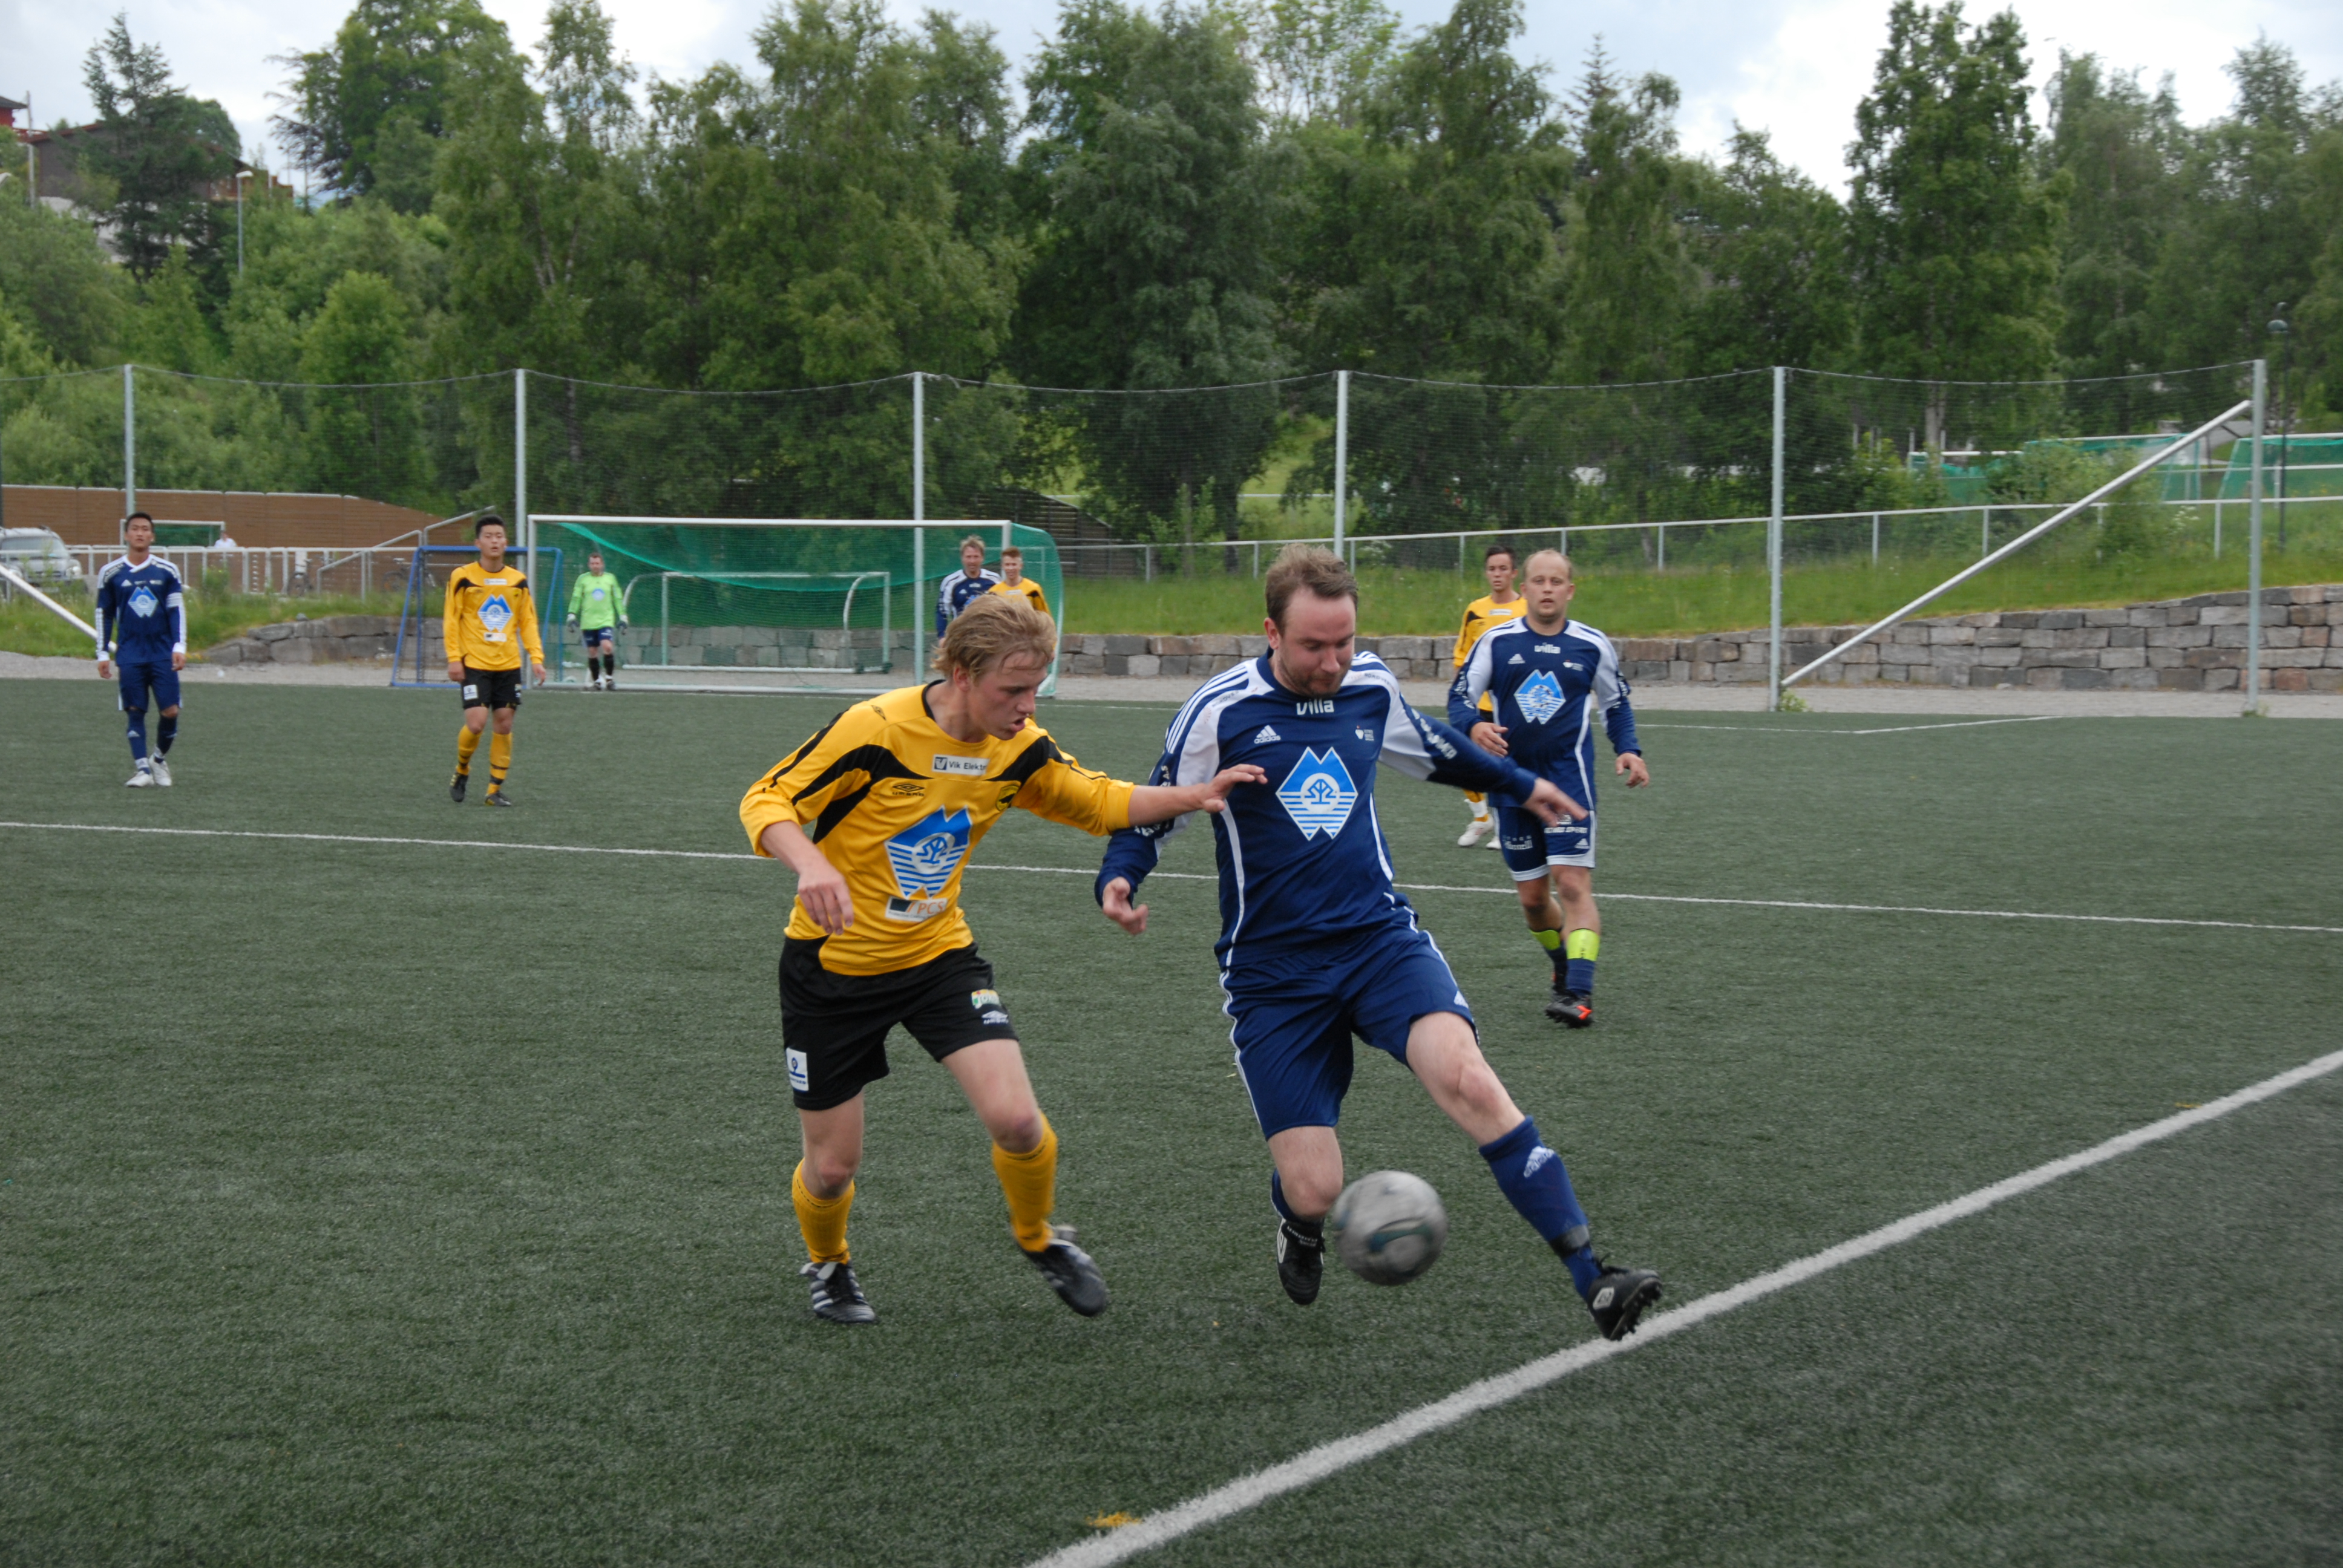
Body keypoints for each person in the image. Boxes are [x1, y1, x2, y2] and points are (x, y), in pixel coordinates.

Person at [1095, 546, 1662, 1341]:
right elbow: (1156, 804)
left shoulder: (1368, 686)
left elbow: (1434, 749)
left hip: (1378, 943)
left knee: (1470, 1080)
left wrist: (1522, 785)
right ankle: (1297, 1223)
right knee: (1315, 1188)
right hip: (1273, 974)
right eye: (1313, 647)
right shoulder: (1221, 711)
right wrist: (1120, 877)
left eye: (1345, 643)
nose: (1333, 663)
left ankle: (1593, 1277)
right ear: (1271, 633)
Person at [741, 594, 1263, 1326]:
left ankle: (1039, 1236)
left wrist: (1196, 794)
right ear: (960, 674)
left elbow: (1096, 801)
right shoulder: (876, 729)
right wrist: (810, 864)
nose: (1027, 706)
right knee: (831, 1168)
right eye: (1012, 689)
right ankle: (829, 1263)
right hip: (831, 971)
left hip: (938, 961)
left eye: (1035, 689)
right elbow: (766, 800)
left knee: (1018, 1121)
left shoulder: (1018, 748)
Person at [1449, 549, 1647, 1028]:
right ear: (1526, 588)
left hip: (1569, 783)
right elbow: (1459, 697)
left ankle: (1579, 992)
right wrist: (1474, 726)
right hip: (1512, 783)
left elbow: (1616, 704)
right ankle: (1563, 963)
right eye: (1539, 581)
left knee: (1572, 882)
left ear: (1569, 590)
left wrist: (1629, 749)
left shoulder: (1591, 645)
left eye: (1557, 581)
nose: (1547, 589)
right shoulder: (1497, 642)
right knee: (1534, 902)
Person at [442, 515, 545, 806]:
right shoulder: (462, 577)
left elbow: (528, 622)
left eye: (499, 536)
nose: (494, 541)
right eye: (488, 536)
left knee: (504, 724)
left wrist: (536, 658)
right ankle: (462, 768)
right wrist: (454, 658)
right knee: (476, 724)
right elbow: (451, 619)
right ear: (478, 543)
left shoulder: (518, 581)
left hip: (508, 664)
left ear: (506, 542)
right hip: (474, 662)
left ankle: (493, 790)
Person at [93, 512, 186, 788]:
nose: (140, 533)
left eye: (145, 529)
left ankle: (158, 760)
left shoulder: (167, 571)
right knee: (135, 710)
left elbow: (177, 610)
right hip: (130, 653)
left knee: (171, 711)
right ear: (126, 535)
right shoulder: (111, 573)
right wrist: (102, 653)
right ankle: (142, 769)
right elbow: (103, 613)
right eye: (135, 529)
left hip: (162, 652)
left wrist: (179, 645)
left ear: (152, 536)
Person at [1452, 544, 1526, 849]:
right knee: (1462, 763)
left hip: (1513, 706)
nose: (1497, 574)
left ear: (1514, 573)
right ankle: (1482, 818)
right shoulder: (1475, 610)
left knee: (1506, 767)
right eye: (1492, 569)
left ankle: (1505, 826)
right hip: (1478, 707)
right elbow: (1462, 657)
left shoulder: (1527, 609)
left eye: (1503, 569)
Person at [566, 550, 629, 690]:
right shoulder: (583, 579)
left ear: (602, 565)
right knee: (592, 652)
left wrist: (623, 616)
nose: (595, 566)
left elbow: (617, 598)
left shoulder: (610, 579)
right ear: (589, 565)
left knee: (607, 647)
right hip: (588, 621)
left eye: (597, 563)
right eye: (593, 563)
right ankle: (597, 682)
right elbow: (576, 598)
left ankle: (610, 679)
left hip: (606, 620)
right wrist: (572, 614)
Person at [934, 535, 999, 639]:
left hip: (989, 638)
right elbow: (942, 611)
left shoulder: (994, 580)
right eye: (968, 557)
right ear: (962, 558)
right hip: (961, 638)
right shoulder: (951, 582)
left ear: (982, 558)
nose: (972, 561)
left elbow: (1002, 610)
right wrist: (942, 636)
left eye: (976, 557)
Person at [986, 544, 1049, 616]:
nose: (1011, 568)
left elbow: (1045, 617)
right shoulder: (994, 592)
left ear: (1021, 566)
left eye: (1014, 565)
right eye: (1007, 565)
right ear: (1003, 566)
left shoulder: (1033, 589)